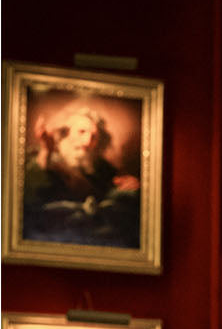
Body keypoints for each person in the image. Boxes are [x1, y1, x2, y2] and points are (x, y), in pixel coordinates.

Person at [22, 104, 140, 247]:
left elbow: (114, 194)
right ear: (65, 133)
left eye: (94, 136)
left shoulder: (102, 168)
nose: (87, 141)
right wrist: (45, 152)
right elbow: (30, 199)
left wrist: (133, 185)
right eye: (82, 132)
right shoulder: (40, 158)